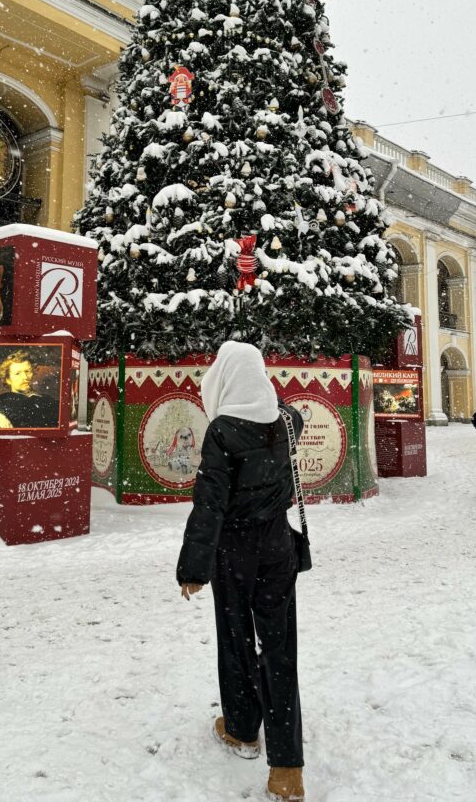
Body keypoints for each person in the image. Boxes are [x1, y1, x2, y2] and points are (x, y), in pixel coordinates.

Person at [176, 342, 307, 802]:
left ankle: (242, 729)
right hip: (278, 549)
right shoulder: (287, 422)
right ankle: (287, 771)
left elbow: (210, 503)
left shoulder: (223, 432)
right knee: (279, 648)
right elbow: (289, 411)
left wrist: (193, 567)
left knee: (235, 639)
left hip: (234, 553)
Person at [0, 351, 59, 429]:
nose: (25, 377)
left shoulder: (48, 400)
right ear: (8, 379)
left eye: (27, 371)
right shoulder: (0, 400)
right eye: (17, 373)